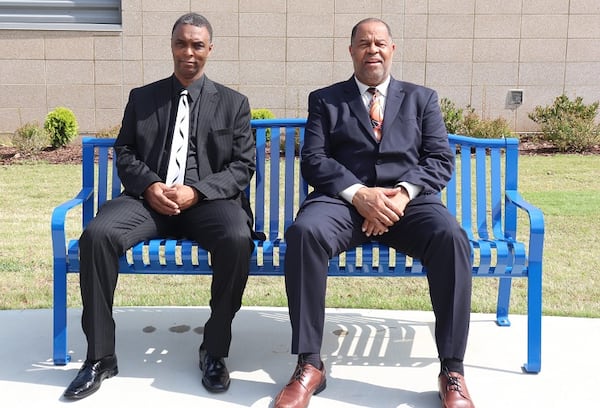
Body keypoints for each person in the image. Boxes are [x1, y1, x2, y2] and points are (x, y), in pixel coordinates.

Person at [273, 18, 476, 408]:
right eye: (363, 44)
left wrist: (401, 194)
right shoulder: (325, 99)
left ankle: (452, 370)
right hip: (342, 204)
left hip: (408, 206)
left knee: (451, 238)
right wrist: (359, 194)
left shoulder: (422, 99)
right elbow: (314, 159)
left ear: (392, 50)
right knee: (303, 233)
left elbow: (439, 159)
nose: (372, 50)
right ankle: (309, 364)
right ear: (351, 51)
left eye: (380, 43)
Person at [63, 13, 256, 400]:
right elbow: (125, 151)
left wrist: (197, 192)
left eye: (197, 45)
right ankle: (100, 356)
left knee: (237, 238)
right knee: (97, 235)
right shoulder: (143, 98)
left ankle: (214, 351)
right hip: (146, 202)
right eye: (182, 44)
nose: (189, 52)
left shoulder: (234, 103)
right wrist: (150, 185)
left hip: (206, 204)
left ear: (209, 50)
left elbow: (242, 165)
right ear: (171, 47)